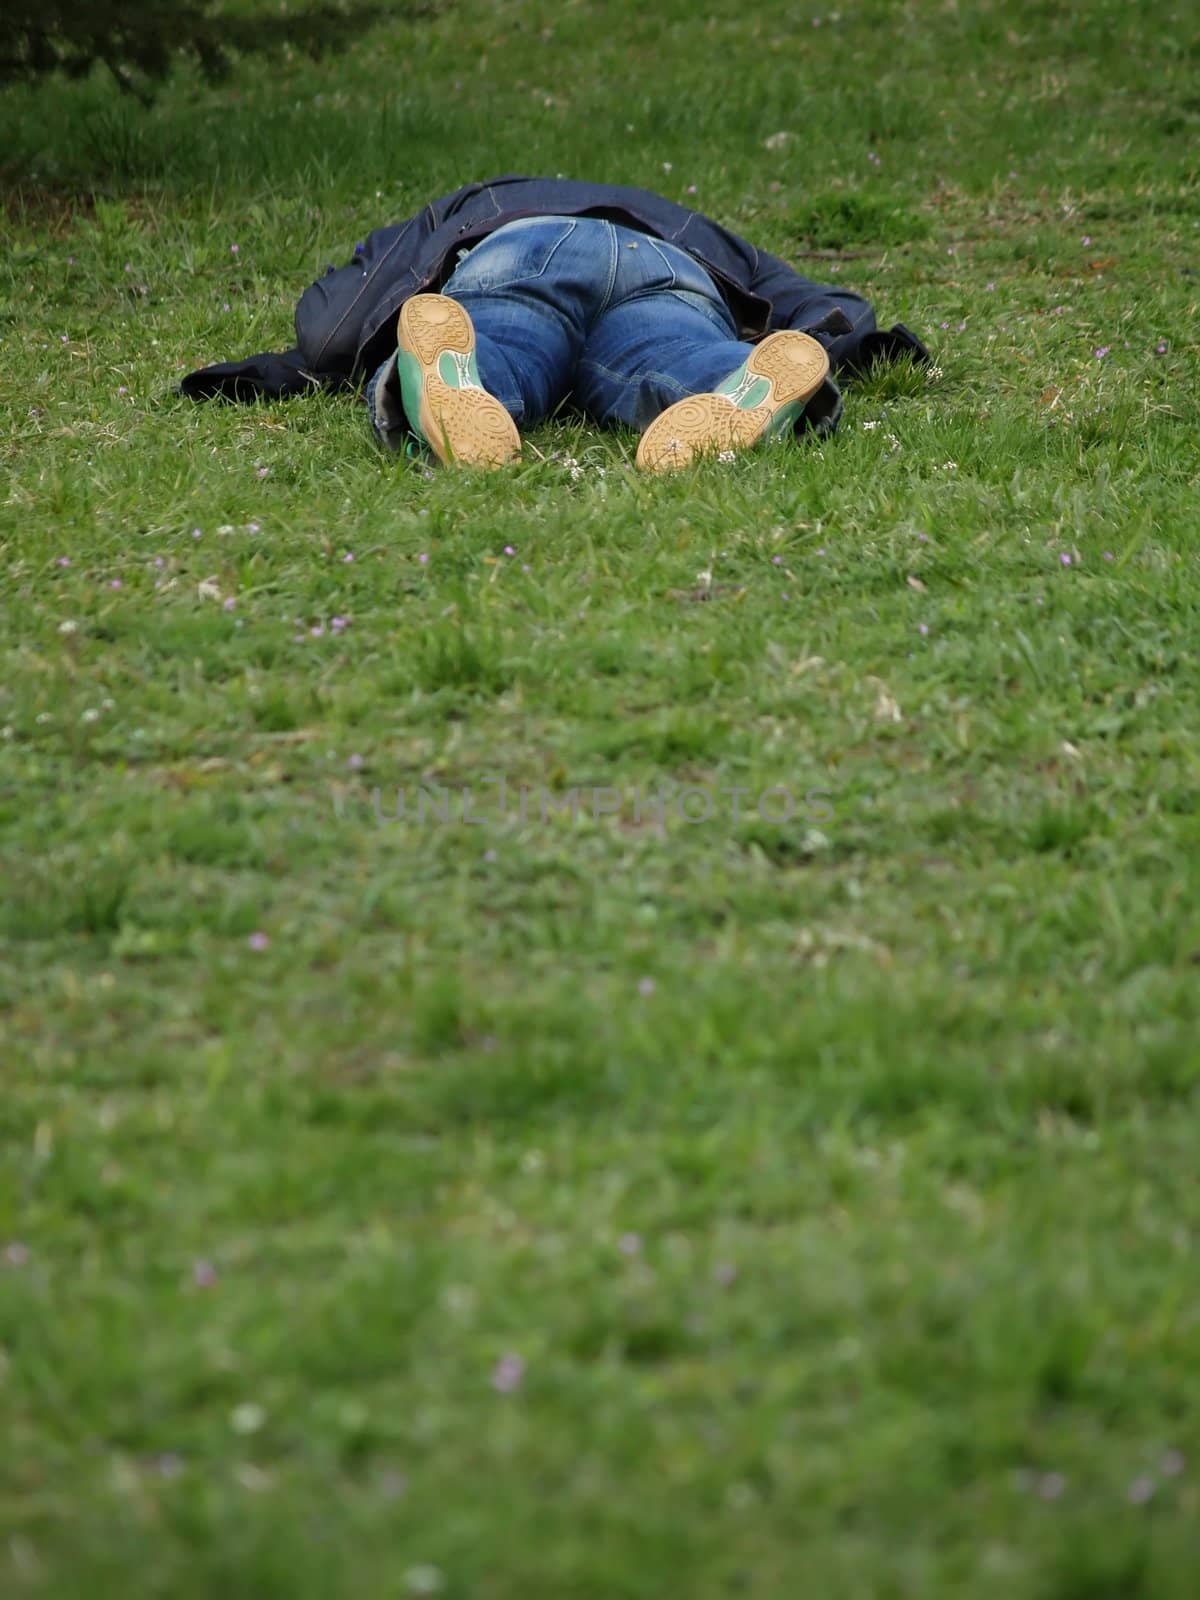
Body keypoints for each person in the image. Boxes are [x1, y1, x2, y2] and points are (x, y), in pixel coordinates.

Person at [182, 175, 928, 472]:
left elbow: (348, 307)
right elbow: (809, 298)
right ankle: (733, 386)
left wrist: (313, 356)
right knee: (675, 351)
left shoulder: (479, 200)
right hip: (665, 269)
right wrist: (846, 341)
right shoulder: (686, 222)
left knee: (505, 339)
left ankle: (451, 379)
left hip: (520, 249)